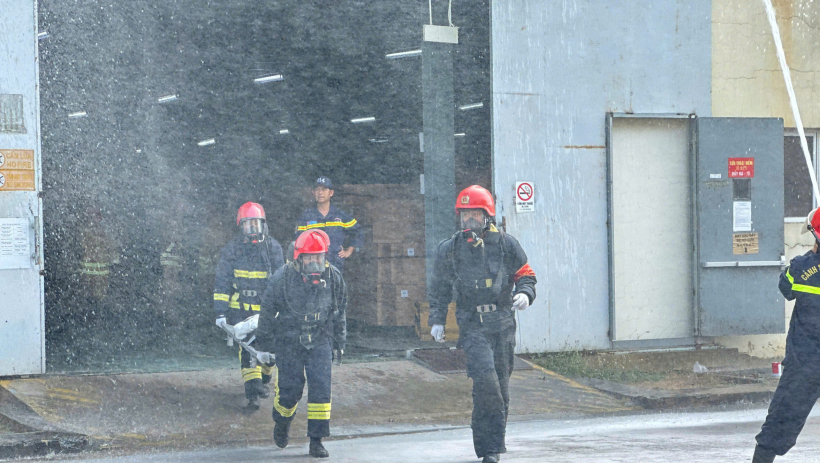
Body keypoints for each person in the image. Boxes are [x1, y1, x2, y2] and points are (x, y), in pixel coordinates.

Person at [427, 185, 536, 463]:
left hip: (502, 324)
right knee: (486, 383)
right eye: (465, 214)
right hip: (472, 325)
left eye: (475, 213)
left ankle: (494, 446)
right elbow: (439, 288)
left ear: (487, 216)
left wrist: (525, 293)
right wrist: (437, 320)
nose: (469, 219)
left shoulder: (507, 245)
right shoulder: (450, 249)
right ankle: (488, 449)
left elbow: (526, 275)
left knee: (501, 389)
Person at [256, 229, 347, 458]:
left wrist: (340, 342)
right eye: (309, 258)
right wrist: (264, 345)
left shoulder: (334, 277)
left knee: (321, 391)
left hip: (320, 339)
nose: (315, 262)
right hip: (289, 341)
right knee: (289, 392)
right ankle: (282, 423)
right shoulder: (282, 278)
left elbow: (340, 311)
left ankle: (316, 440)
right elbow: (267, 312)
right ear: (298, 258)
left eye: (319, 257)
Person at [753, 207, 820, 462]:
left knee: (780, 423)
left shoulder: (801, 267)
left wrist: (811, 257)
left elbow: (786, 287)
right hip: (806, 363)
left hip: (805, 365)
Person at [213, 202, 284, 411]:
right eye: (248, 224)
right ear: (240, 226)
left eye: (256, 224)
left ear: (263, 225)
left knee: (268, 348)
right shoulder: (231, 250)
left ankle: (264, 379)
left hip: (266, 310)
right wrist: (220, 312)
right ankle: (252, 392)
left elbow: (282, 282)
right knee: (247, 348)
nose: (252, 229)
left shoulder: (273, 248)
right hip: (240, 309)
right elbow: (222, 282)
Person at [295, 176, 363, 274]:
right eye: (317, 189)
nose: (320, 192)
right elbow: (299, 241)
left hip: (335, 264)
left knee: (335, 283)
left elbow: (358, 231)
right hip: (313, 265)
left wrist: (349, 251)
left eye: (324, 189)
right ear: (313, 193)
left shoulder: (340, 215)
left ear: (331, 193)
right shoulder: (306, 216)